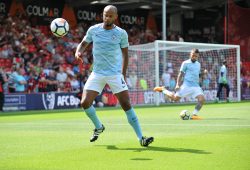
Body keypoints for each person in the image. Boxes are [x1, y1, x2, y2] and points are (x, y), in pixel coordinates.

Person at [75, 5, 153, 147]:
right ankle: (99, 127)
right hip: (97, 73)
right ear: (102, 15)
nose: (107, 18)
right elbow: (83, 43)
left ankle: (141, 137)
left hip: (114, 74)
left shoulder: (121, 33)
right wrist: (78, 52)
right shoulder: (94, 30)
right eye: (105, 15)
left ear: (116, 17)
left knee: (126, 105)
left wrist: (122, 74)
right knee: (85, 102)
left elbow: (125, 54)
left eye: (110, 16)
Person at [154, 49, 205, 120]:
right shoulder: (185, 63)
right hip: (187, 85)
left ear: (198, 56)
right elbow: (180, 74)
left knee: (202, 99)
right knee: (175, 99)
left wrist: (203, 74)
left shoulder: (198, 64)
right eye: (193, 55)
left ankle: (194, 115)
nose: (194, 57)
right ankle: (163, 90)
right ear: (190, 54)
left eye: (196, 56)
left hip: (196, 86)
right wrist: (177, 84)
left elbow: (197, 75)